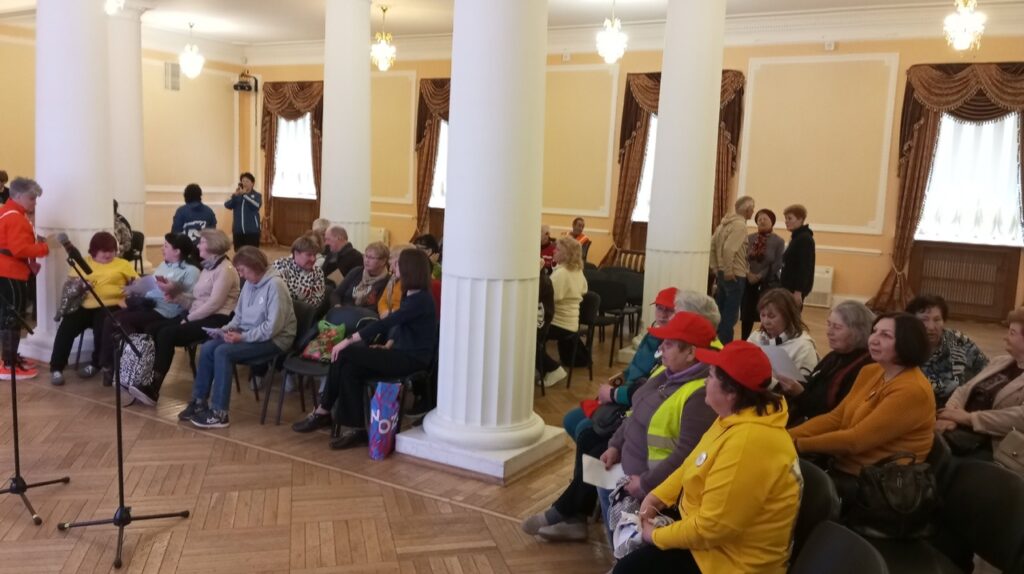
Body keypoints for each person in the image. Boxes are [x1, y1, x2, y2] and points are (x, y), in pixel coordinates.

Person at [523, 312, 719, 543]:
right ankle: (575, 518)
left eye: (669, 344)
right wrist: (615, 445)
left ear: (690, 353)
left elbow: (686, 456)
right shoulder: (667, 372)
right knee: (595, 451)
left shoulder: (699, 396)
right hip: (629, 464)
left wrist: (645, 483)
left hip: (650, 483)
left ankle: (571, 518)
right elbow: (635, 414)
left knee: (591, 445)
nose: (661, 347)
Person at [614, 341, 800, 574]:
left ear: (731, 392)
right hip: (711, 542)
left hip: (730, 562)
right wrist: (656, 497)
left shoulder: (749, 442)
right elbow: (692, 462)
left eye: (710, 376)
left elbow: (712, 528)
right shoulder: (736, 417)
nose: (704, 382)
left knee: (629, 569)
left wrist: (655, 536)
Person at [291, 249, 437, 449]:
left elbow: (386, 323)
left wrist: (348, 340)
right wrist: (388, 344)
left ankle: (323, 411)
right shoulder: (410, 293)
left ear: (409, 269)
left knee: (344, 352)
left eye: (398, 263)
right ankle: (356, 429)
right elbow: (402, 327)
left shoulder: (421, 299)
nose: (393, 265)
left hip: (411, 360)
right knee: (350, 370)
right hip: (399, 353)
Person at [790, 313, 935, 501]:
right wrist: (786, 435)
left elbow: (855, 441)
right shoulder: (871, 371)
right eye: (874, 331)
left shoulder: (912, 390)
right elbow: (835, 418)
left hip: (877, 484)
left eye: (886, 335)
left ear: (907, 343)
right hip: (844, 466)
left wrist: (796, 444)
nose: (874, 339)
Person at [179, 246, 296, 429]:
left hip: (276, 340)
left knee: (223, 352)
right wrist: (224, 330)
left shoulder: (275, 285)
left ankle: (220, 413)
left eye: (242, 270)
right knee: (209, 346)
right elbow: (239, 316)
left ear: (254, 266)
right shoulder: (249, 283)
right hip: (251, 334)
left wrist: (242, 337)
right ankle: (199, 401)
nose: (240, 275)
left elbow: (272, 328)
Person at [130, 229, 240, 406]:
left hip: (217, 318)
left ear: (213, 245)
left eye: (202, 242)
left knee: (167, 334)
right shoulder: (208, 267)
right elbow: (196, 300)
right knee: (153, 328)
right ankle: (145, 378)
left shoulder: (225, 270)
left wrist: (189, 318)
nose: (198, 245)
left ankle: (153, 387)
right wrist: (175, 296)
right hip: (199, 314)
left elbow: (214, 304)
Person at [562, 286, 678, 441]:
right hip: (624, 392)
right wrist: (613, 385)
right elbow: (632, 370)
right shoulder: (651, 336)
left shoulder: (675, 349)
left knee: (584, 431)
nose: (662, 315)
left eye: (669, 310)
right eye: (659, 308)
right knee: (570, 420)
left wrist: (613, 394)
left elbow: (649, 389)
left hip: (635, 403)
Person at [94, 233, 200, 386]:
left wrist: (171, 290)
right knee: (110, 319)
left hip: (167, 310)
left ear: (177, 251)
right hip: (148, 304)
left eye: (166, 246)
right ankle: (108, 366)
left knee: (122, 321)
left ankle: (135, 362)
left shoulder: (191, 271)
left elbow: (192, 299)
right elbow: (151, 286)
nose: (162, 249)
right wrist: (135, 289)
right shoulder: (164, 265)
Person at [49, 232, 137, 386]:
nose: (108, 255)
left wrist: (130, 292)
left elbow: (137, 285)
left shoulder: (123, 264)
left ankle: (96, 364)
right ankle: (56, 367)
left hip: (111, 305)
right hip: (85, 305)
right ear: (94, 251)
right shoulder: (83, 262)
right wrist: (81, 286)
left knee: (102, 323)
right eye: (104, 251)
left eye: (111, 251)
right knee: (67, 326)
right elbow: (70, 286)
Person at [937, 308, 1024, 460]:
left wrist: (970, 419)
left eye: (1012, 333)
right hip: (959, 430)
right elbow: (964, 390)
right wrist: (949, 416)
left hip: (994, 446)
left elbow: (1020, 418)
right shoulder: (1000, 361)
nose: (1005, 337)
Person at [782, 300, 875, 425]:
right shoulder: (835, 355)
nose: (829, 332)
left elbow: (833, 416)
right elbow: (815, 382)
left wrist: (799, 393)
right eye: (829, 324)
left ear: (859, 331)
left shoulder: (864, 367)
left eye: (837, 327)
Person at [0, 178, 48, 380]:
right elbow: (19, 249)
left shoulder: (8, 212)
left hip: (8, 270)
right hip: (10, 272)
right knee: (13, 317)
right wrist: (45, 248)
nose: (34, 202)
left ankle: (10, 358)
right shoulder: (16, 218)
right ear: (18, 196)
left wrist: (30, 263)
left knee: (9, 316)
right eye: (32, 198)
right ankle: (9, 364)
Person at [907, 294, 988, 407]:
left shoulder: (958, 340)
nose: (931, 327)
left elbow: (986, 370)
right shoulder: (903, 345)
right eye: (924, 320)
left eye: (937, 320)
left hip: (957, 408)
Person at [539, 237, 587, 388]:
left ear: (567, 254)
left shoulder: (562, 274)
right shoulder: (578, 271)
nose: (554, 251)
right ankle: (542, 367)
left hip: (559, 323)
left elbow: (546, 298)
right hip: (571, 323)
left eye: (558, 249)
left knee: (528, 337)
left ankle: (553, 369)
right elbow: (584, 290)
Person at [746, 287, 818, 389]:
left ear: (788, 316)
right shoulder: (757, 336)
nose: (765, 321)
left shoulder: (803, 346)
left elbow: (806, 388)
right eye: (762, 315)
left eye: (771, 316)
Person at [709, 196, 755, 344]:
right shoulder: (740, 226)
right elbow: (729, 249)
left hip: (722, 274)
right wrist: (728, 271)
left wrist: (717, 269)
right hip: (734, 275)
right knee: (730, 316)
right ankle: (723, 348)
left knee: (720, 312)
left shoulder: (723, 225)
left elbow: (712, 247)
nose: (753, 212)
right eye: (752, 209)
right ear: (747, 210)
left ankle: (715, 344)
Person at [740, 208, 784, 340]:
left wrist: (759, 276)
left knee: (767, 314)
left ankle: (766, 341)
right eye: (759, 219)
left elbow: (777, 263)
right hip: (749, 281)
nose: (762, 221)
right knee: (747, 314)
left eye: (765, 218)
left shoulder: (778, 241)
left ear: (772, 222)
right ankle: (744, 341)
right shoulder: (749, 238)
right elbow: (742, 258)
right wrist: (748, 273)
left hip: (768, 283)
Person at [330, 241, 390, 311]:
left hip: (363, 315)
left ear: (383, 261)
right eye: (366, 256)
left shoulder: (387, 281)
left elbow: (377, 307)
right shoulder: (356, 271)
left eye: (371, 258)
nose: (366, 260)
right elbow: (336, 294)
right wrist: (337, 306)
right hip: (342, 310)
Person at [272, 233, 326, 308]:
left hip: (305, 312)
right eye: (309, 255)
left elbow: (317, 302)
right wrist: (306, 296)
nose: (313, 259)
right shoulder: (281, 265)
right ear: (296, 253)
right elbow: (279, 296)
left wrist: (296, 298)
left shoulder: (317, 272)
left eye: (314, 255)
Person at [779, 204, 815, 307]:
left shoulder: (804, 239)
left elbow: (804, 267)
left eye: (790, 218)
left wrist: (798, 291)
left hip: (794, 289)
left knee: (791, 315)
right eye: (786, 218)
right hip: (788, 287)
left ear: (800, 219)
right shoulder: (797, 237)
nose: (786, 221)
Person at [224, 172, 262, 249]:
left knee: (252, 253)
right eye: (243, 181)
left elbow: (256, 206)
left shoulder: (257, 195)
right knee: (239, 253)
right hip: (238, 231)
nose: (244, 183)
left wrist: (245, 195)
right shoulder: (237, 195)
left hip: (252, 231)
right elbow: (227, 205)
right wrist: (235, 196)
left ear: (252, 183)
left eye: (247, 181)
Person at [378, 244, 413, 319]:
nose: (390, 269)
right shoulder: (393, 280)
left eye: (394, 265)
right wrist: (384, 312)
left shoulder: (413, 283)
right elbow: (382, 301)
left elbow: (407, 309)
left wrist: (390, 314)